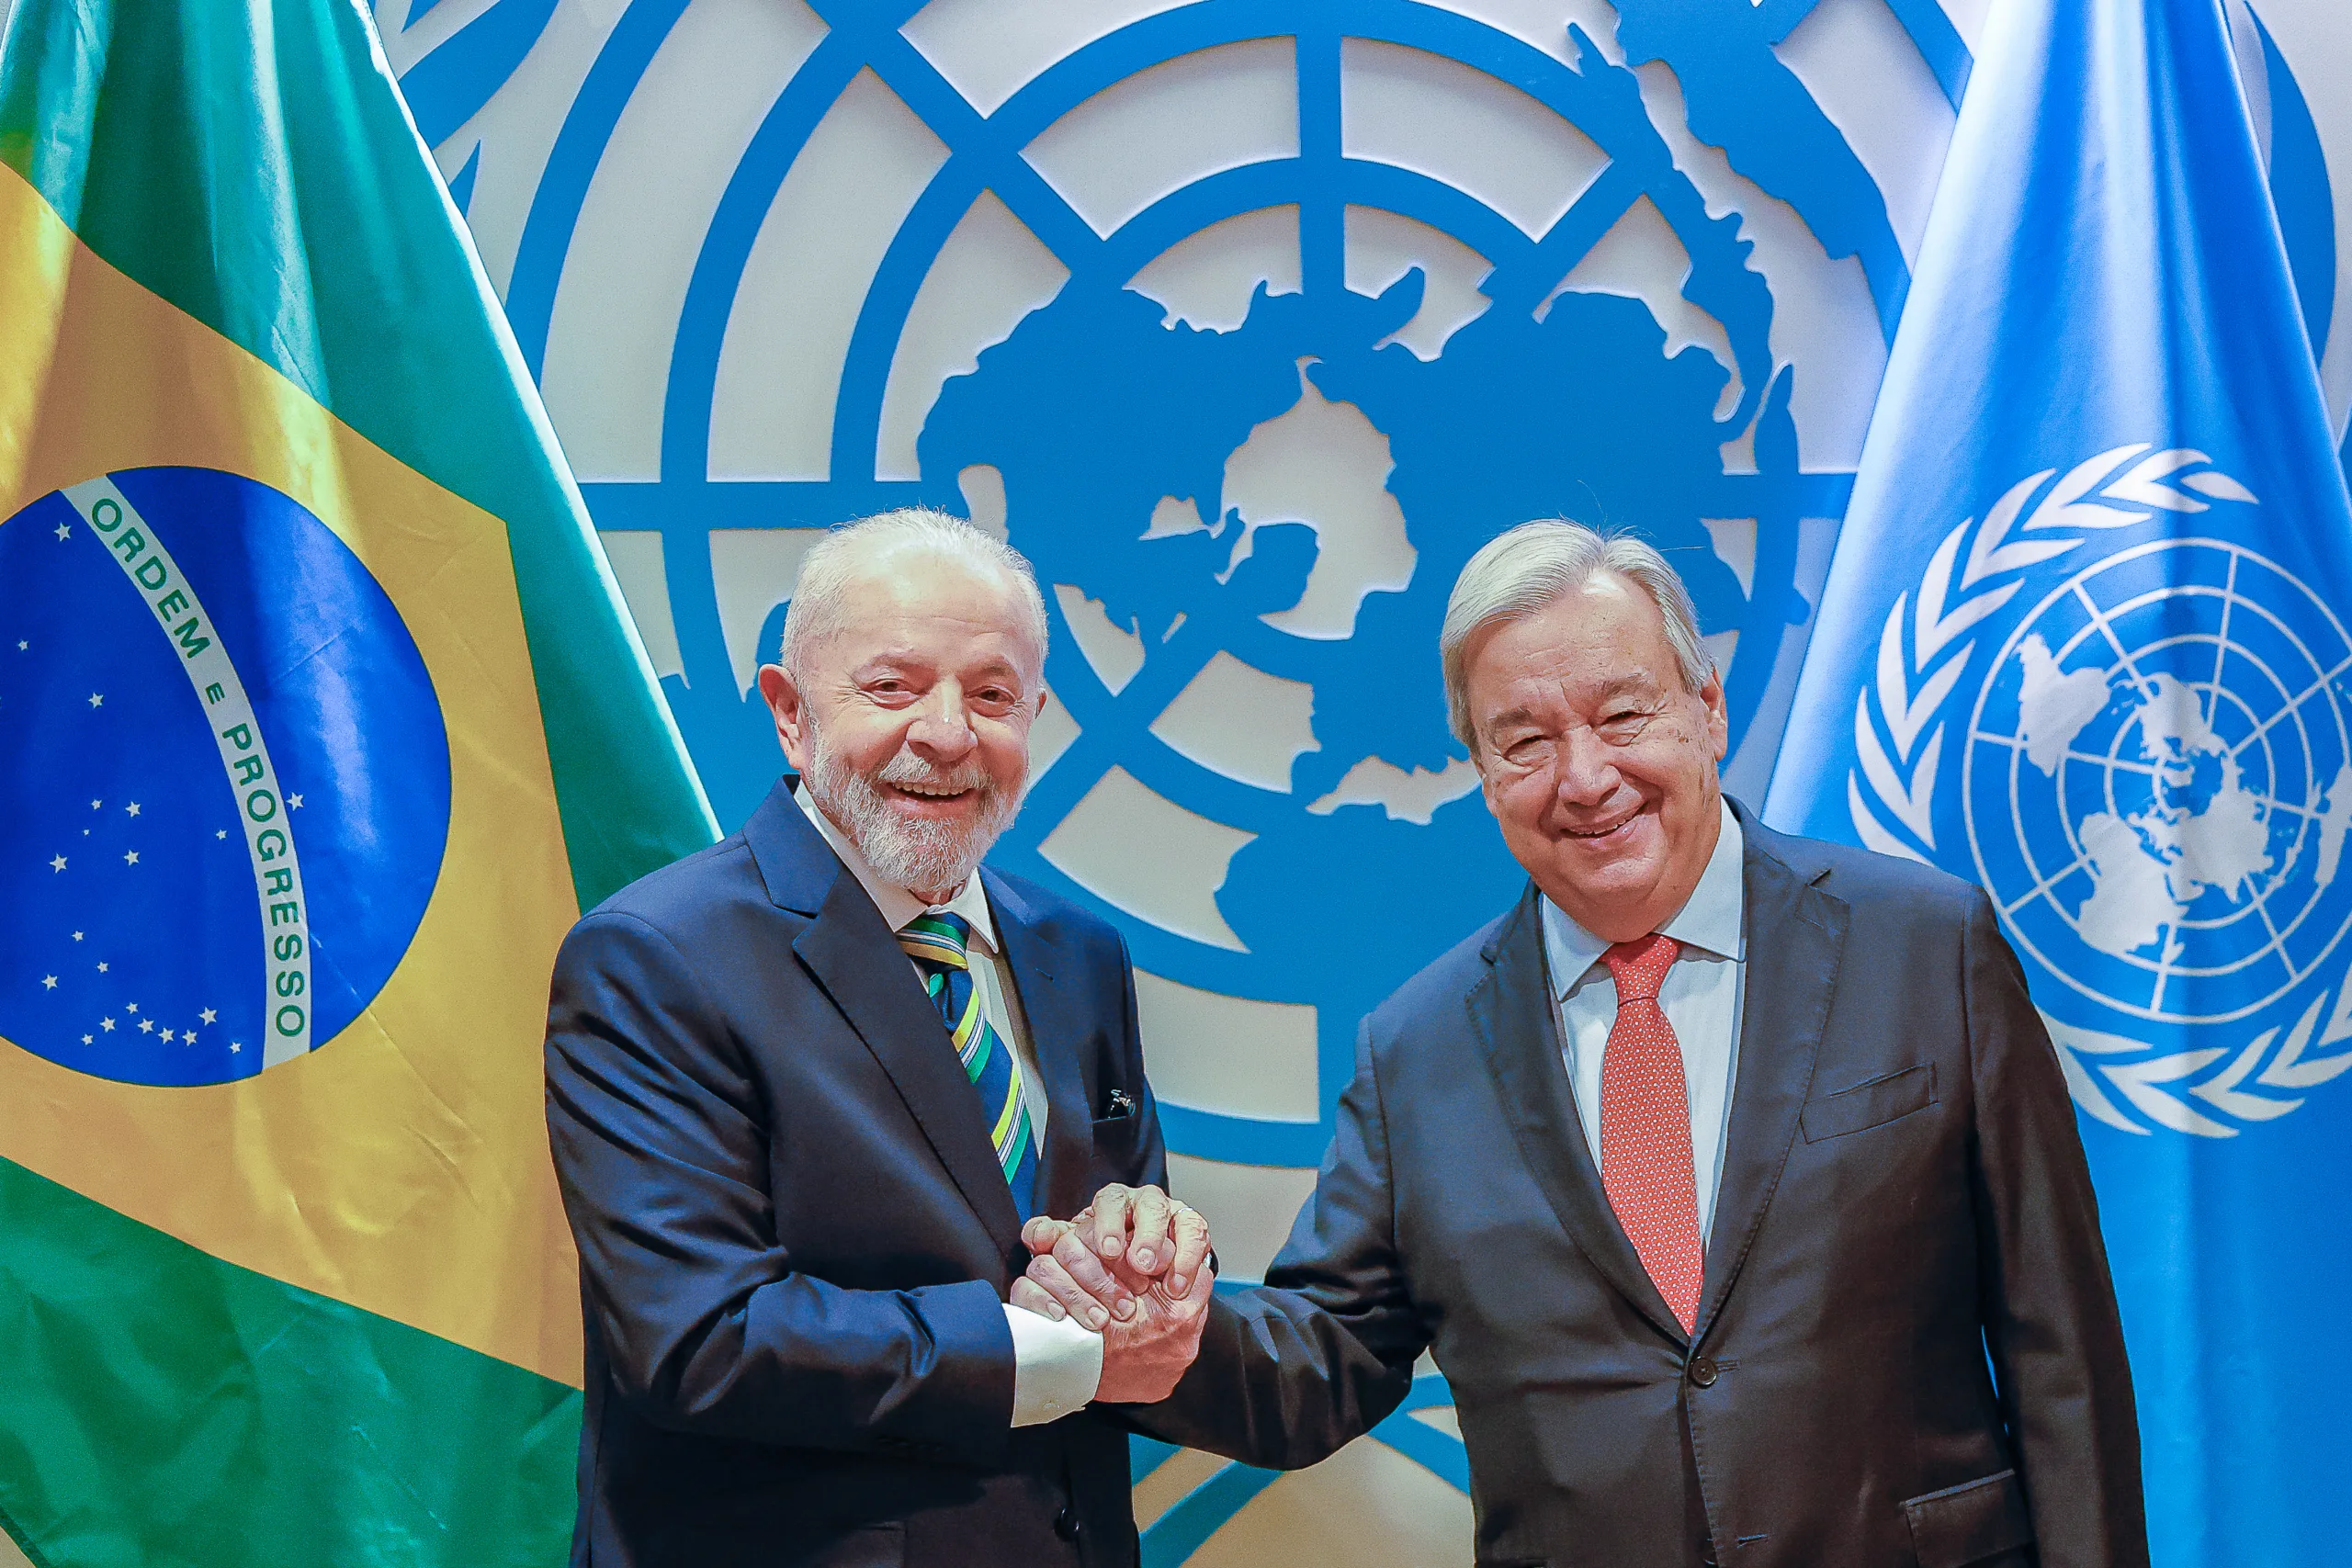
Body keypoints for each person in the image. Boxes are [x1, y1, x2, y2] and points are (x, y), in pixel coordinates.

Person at [1019, 522, 2148, 1568]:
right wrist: (1164, 1340)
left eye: (1622, 717)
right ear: (1481, 771)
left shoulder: (1926, 944)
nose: (1585, 777)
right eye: (1525, 741)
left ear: (1706, 709)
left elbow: (2063, 1356)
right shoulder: (1415, 1047)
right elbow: (1331, 1357)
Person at [544, 509, 1210, 1568]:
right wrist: (1050, 1354)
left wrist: (1153, 1268)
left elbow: (1094, 1258)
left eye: (991, 696)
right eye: (892, 687)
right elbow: (695, 1342)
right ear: (790, 713)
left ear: (1033, 716)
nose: (947, 734)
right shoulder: (654, 957)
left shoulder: (1078, 954)